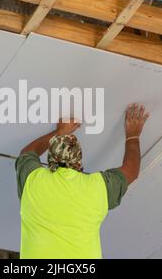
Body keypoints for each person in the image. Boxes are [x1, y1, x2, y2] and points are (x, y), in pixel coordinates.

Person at [15, 103, 149, 259]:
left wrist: (59, 132)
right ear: (79, 163)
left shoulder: (34, 181)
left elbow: (27, 153)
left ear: (50, 160)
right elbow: (131, 171)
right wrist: (133, 135)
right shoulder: (97, 188)